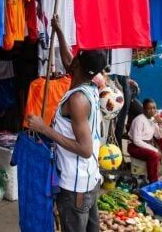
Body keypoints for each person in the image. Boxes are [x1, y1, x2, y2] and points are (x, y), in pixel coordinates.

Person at [28, 14, 106, 232]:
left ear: (79, 64)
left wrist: (44, 128)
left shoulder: (78, 99)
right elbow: (68, 60)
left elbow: (85, 148)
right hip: (87, 180)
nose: (72, 60)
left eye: (77, 56)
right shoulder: (88, 86)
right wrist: (60, 30)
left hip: (75, 186)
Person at [127, 98, 162, 183]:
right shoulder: (139, 120)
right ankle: (153, 181)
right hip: (135, 146)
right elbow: (136, 140)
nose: (152, 111)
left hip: (150, 142)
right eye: (149, 108)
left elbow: (159, 136)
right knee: (154, 155)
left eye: (154, 108)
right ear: (144, 109)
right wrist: (155, 150)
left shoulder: (153, 119)